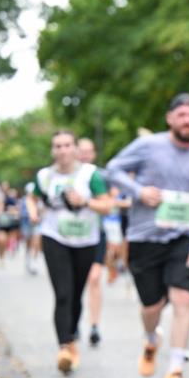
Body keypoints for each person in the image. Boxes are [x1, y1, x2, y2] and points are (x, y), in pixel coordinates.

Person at [106, 93, 189, 378]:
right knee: (152, 305)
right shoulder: (149, 146)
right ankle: (150, 339)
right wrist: (139, 191)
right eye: (181, 115)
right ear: (170, 118)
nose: (187, 120)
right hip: (145, 236)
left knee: (183, 299)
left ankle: (175, 370)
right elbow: (113, 169)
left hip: (185, 238)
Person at [26, 130, 112, 374]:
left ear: (75, 148)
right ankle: (64, 347)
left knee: (76, 294)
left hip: (86, 241)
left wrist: (84, 202)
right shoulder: (44, 176)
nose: (62, 151)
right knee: (62, 293)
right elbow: (32, 198)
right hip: (55, 238)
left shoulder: (90, 175)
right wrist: (32, 211)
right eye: (57, 146)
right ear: (52, 150)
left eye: (67, 145)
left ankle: (72, 335)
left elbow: (106, 205)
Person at [77, 137, 109, 346]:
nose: (86, 155)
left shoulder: (100, 176)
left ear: (94, 154)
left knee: (95, 278)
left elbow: (110, 202)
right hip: (71, 238)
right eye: (82, 151)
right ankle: (73, 321)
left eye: (89, 151)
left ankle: (94, 326)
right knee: (76, 283)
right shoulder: (67, 175)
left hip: (96, 233)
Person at [20, 180, 42, 275]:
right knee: (29, 243)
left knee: (36, 242)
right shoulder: (25, 200)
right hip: (26, 224)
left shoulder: (40, 200)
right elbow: (22, 213)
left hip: (38, 224)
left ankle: (34, 261)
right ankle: (28, 259)